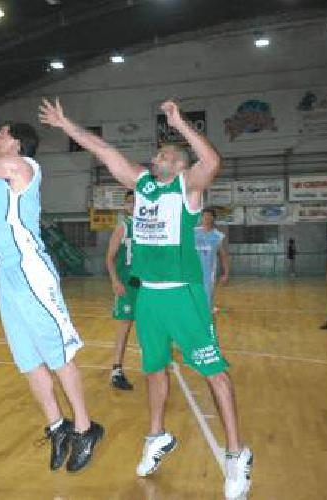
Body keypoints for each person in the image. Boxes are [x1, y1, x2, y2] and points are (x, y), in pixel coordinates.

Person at [40, 97, 252, 497]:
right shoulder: (142, 184)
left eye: (164, 153)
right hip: (148, 297)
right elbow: (104, 150)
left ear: (179, 165)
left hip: (183, 296)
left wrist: (180, 124)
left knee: (214, 374)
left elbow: (212, 162)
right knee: (154, 370)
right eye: (157, 153)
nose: (156, 157)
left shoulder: (188, 190)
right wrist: (66, 124)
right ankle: (156, 437)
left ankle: (236, 454)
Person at [0, 63, 103, 472]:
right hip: (7, 273)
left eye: (2, 134)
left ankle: (86, 427)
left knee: (58, 354)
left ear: (16, 145)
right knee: (28, 360)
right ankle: (57, 425)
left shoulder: (21, 168)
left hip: (31, 270)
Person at [105, 191, 138, 391]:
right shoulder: (123, 227)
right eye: (130, 202)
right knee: (124, 326)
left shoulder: (148, 227)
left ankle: (154, 366)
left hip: (146, 285)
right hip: (126, 284)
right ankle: (116, 370)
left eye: (136, 201)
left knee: (149, 326)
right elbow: (109, 257)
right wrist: (115, 280)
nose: (133, 205)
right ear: (126, 206)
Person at [195, 208, 230, 314]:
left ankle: (207, 313)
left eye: (209, 215)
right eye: (204, 215)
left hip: (208, 271)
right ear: (201, 217)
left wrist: (226, 273)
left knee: (207, 293)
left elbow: (223, 256)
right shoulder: (194, 232)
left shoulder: (217, 236)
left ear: (213, 218)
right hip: (192, 269)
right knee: (193, 292)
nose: (206, 218)